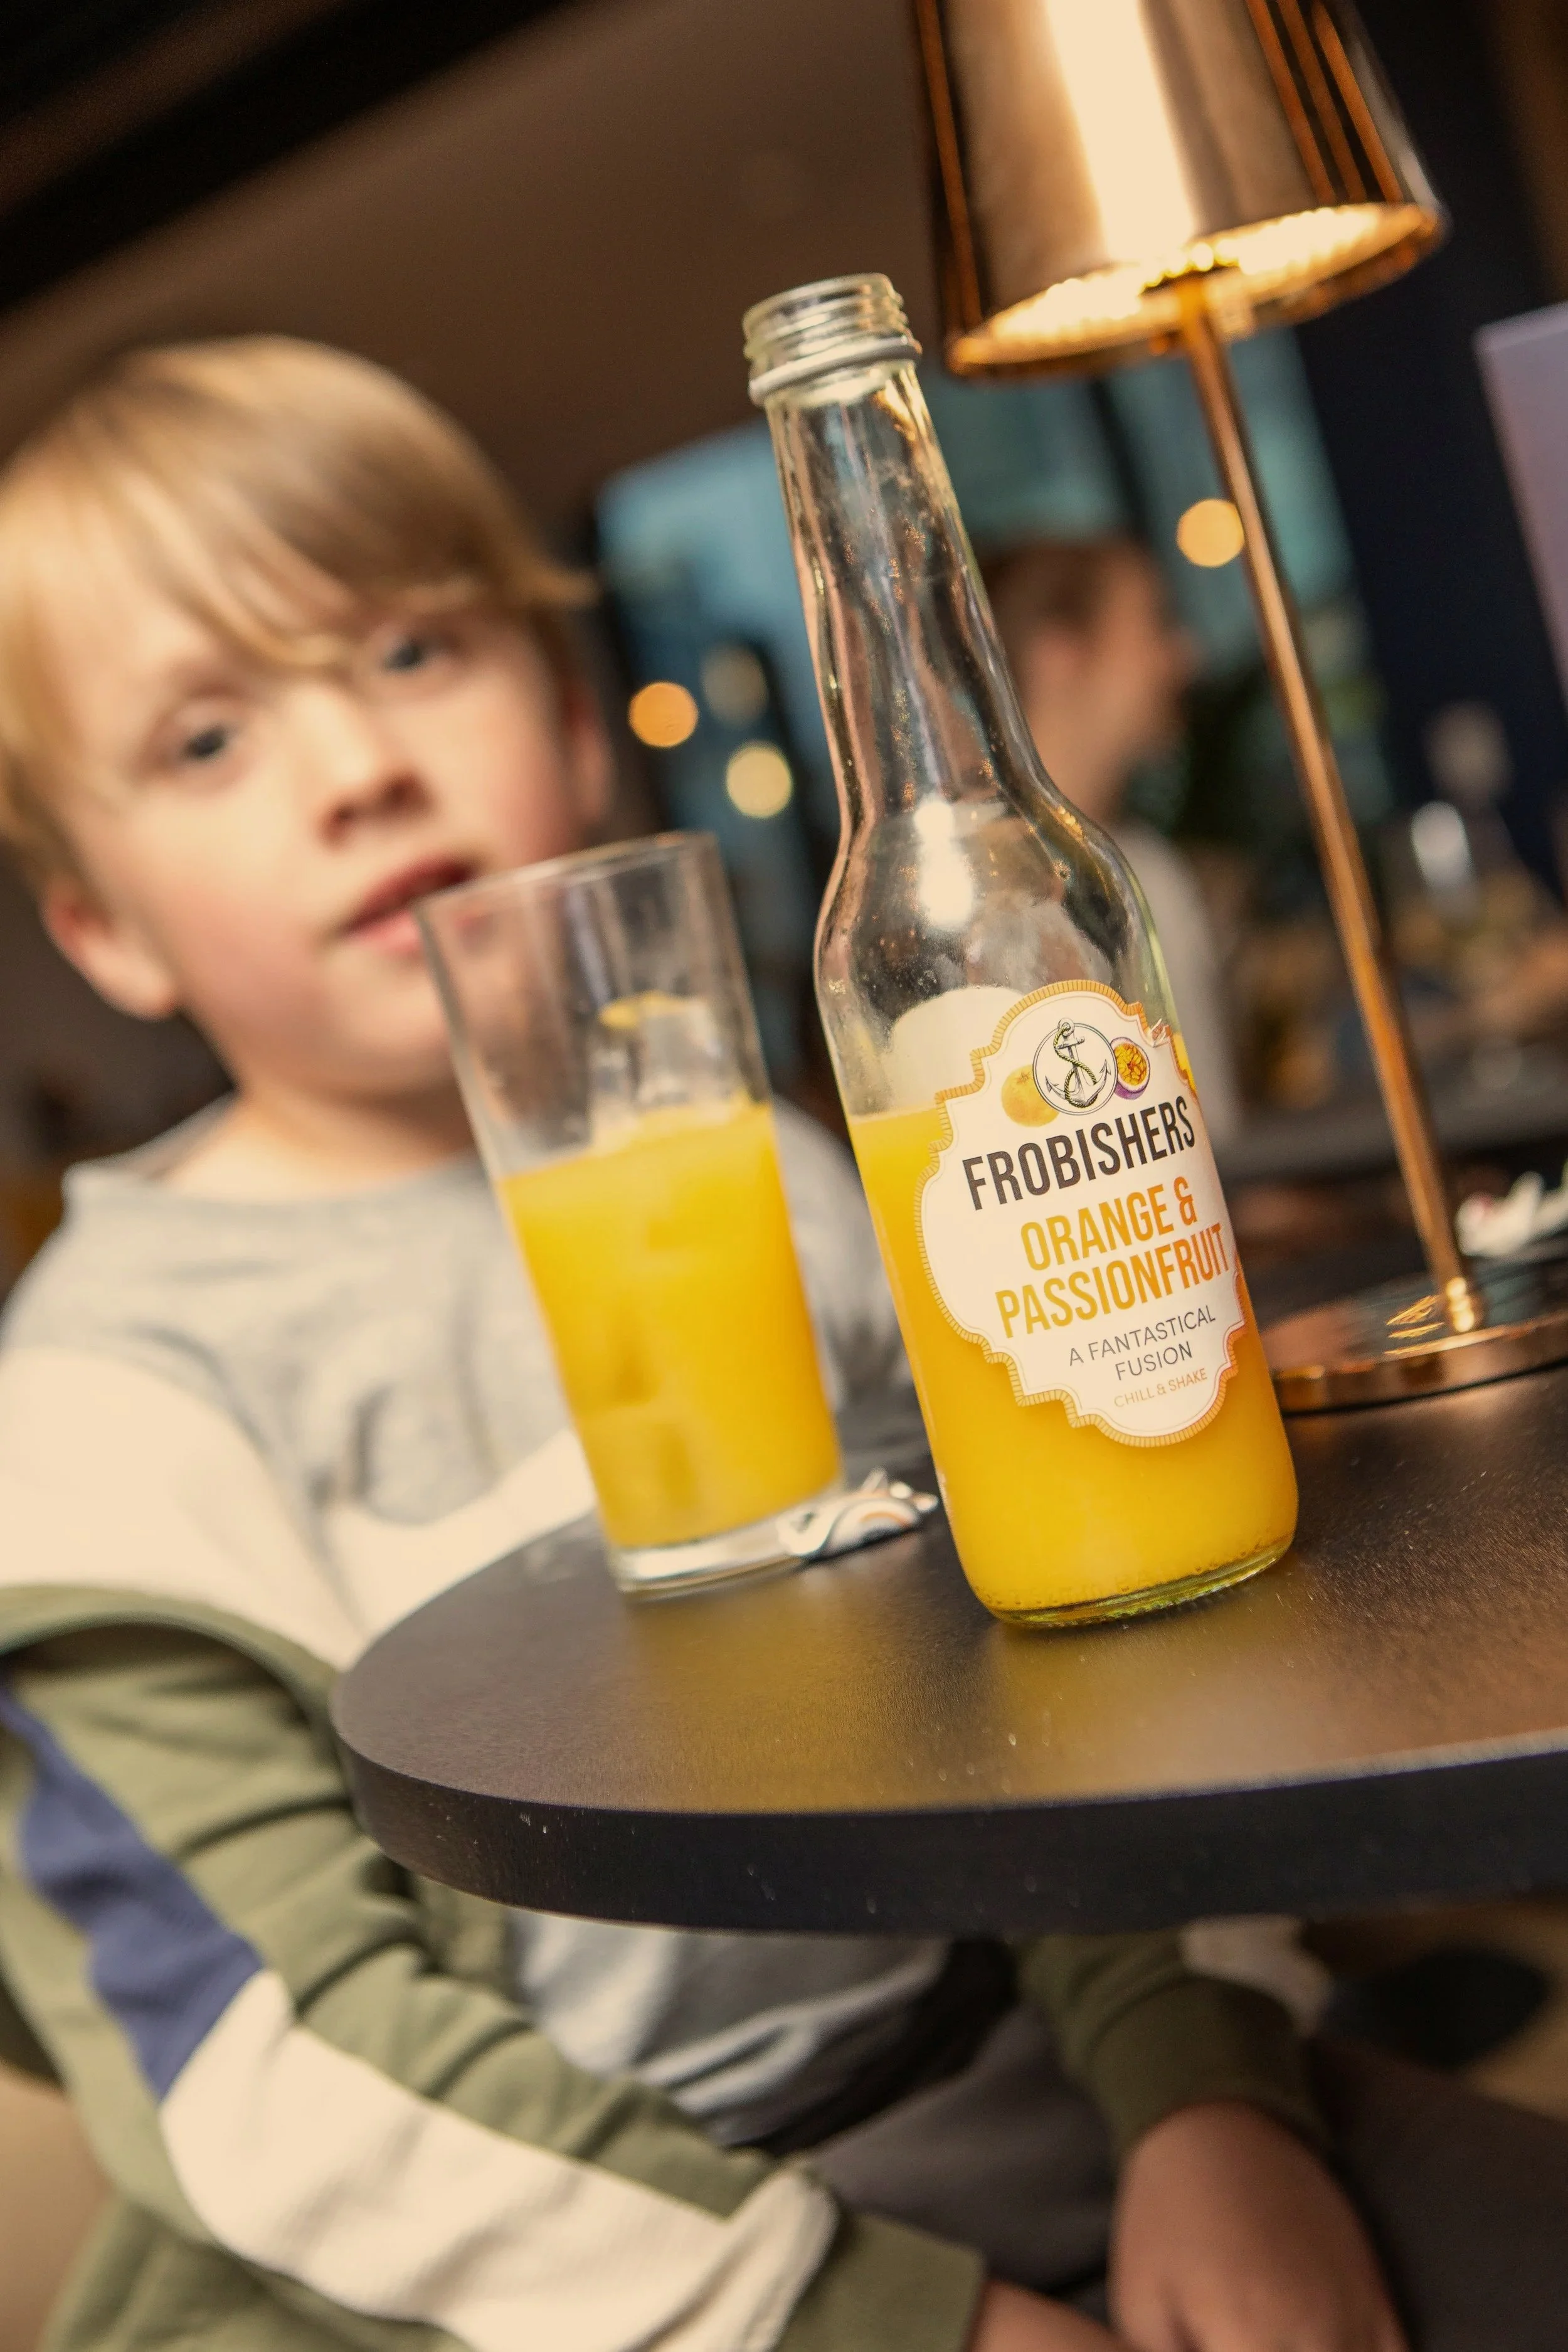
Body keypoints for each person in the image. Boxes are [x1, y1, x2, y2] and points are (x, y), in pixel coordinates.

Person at [0, 338, 1560, 2352]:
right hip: (488, 2279)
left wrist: (1200, 2082)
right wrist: (890, 2314)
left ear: (572, 718)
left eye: (409, 652)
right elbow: (290, 2081)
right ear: (101, 928)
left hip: (1002, 2086)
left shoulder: (797, 1178)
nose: (356, 764)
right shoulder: (92, 1413)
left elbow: (1066, 1660)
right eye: (207, 736)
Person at [982, 538, 1243, 1148]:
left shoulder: (1145, 865)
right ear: (1058, 654)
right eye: (1156, 623)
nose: (1184, 656)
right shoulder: (988, 901)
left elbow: (1212, 1132)